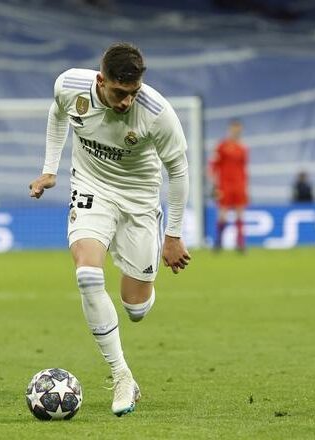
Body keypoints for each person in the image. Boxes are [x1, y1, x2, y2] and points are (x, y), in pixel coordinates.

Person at [29, 42, 191, 416]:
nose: (125, 103)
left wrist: (174, 236)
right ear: (101, 81)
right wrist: (50, 169)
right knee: (87, 275)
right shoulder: (70, 86)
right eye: (119, 93)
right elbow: (57, 115)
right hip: (91, 189)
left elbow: (179, 172)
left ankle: (133, 260)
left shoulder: (157, 113)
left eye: (133, 93)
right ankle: (122, 377)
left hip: (139, 201)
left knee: (136, 308)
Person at [209, 119, 248, 252]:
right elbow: (213, 166)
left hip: (239, 186)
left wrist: (245, 187)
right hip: (224, 185)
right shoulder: (222, 146)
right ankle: (218, 242)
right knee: (223, 214)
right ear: (230, 130)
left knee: (240, 214)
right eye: (235, 129)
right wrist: (214, 185)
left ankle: (240, 243)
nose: (237, 132)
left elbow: (244, 169)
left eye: (239, 130)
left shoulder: (243, 148)